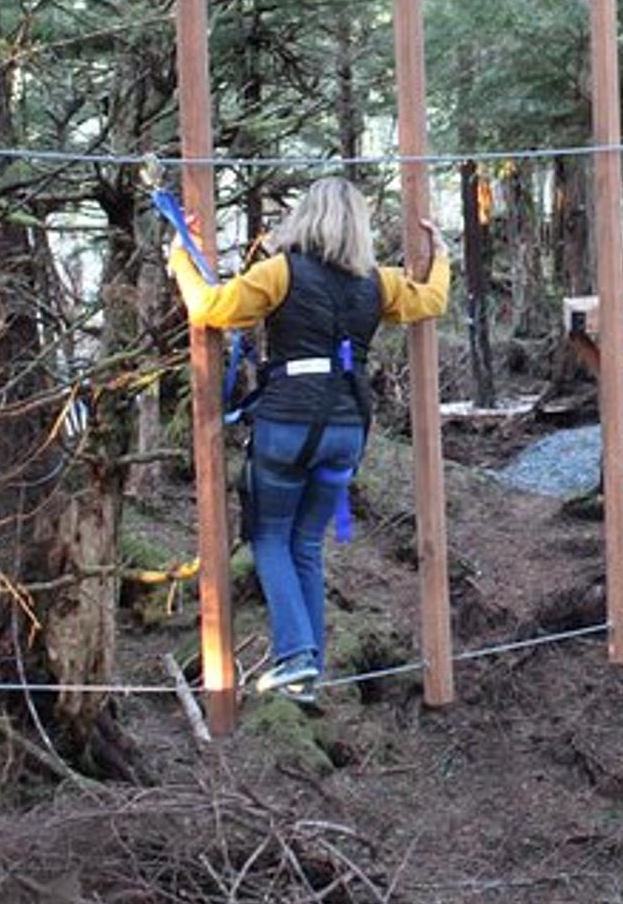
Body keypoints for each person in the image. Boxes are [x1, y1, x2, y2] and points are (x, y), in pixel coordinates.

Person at [167, 176, 450, 702]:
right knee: (306, 543)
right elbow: (431, 300)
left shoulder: (280, 272)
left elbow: (209, 309)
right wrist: (442, 255)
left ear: (306, 217)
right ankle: (306, 671)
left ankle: (296, 657)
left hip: (288, 426)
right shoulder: (378, 283)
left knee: (270, 537)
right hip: (347, 429)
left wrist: (180, 258)